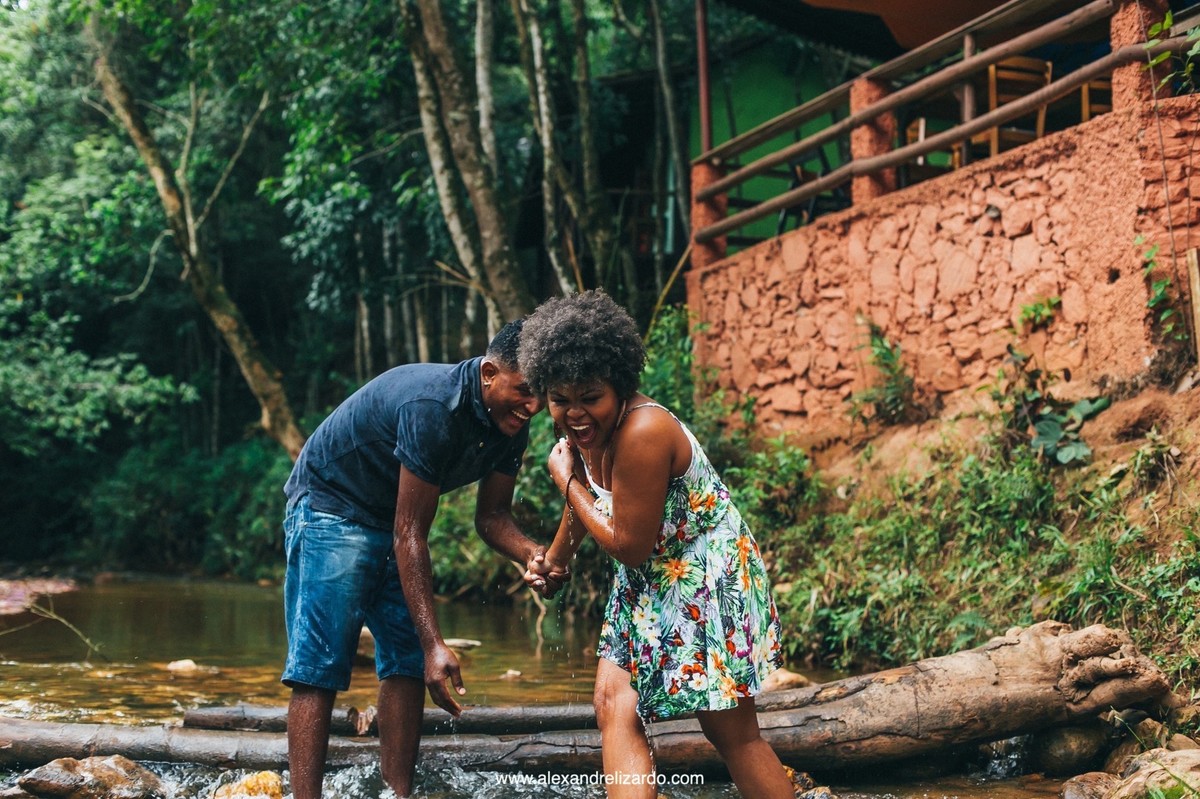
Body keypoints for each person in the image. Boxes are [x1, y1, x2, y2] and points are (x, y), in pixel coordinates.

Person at [520, 290, 795, 798]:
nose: (575, 414)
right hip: (650, 579)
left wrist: (565, 480)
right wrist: (554, 560)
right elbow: (594, 506)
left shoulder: (643, 430)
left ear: (619, 385)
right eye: (561, 400)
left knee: (731, 733)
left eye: (590, 397)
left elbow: (627, 544)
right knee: (612, 702)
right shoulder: (590, 434)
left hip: (704, 577)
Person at [281, 319, 559, 799]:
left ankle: (398, 794)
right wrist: (437, 643)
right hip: (331, 506)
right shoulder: (431, 406)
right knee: (319, 664)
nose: (533, 407)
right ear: (489, 374)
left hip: (392, 520)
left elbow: (492, 518)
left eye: (541, 395)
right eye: (525, 391)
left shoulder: (511, 427)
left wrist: (533, 553)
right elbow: (411, 534)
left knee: (406, 660)